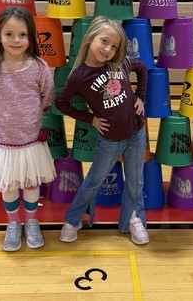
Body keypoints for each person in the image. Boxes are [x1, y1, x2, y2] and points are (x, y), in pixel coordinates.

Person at [54, 16, 150, 245]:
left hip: (136, 134)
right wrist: (90, 119)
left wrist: (140, 97)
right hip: (110, 140)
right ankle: (73, 220)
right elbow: (61, 103)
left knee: (135, 182)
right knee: (93, 182)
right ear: (90, 38)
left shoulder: (119, 63)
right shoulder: (79, 76)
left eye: (114, 46)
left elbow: (143, 69)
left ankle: (134, 219)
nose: (108, 49)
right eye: (104, 41)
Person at [0, 6, 56, 252]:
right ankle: (13, 223)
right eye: (9, 34)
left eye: (22, 34)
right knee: (9, 185)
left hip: (30, 140)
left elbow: (46, 97)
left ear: (31, 37)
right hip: (2, 140)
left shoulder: (38, 66)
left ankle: (31, 221)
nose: (16, 40)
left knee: (31, 184)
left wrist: (28, 117)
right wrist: (5, 117)